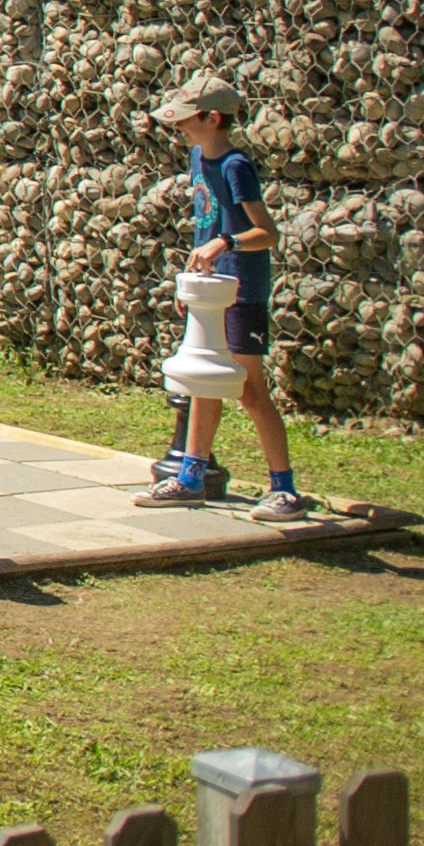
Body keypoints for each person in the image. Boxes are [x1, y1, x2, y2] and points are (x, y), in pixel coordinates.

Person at [143, 72, 306, 520]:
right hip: (210, 290)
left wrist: (227, 244)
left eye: (186, 120)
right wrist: (191, 282)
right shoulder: (198, 157)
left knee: (250, 391)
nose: (178, 127)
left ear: (212, 118)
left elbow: (265, 233)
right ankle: (191, 477)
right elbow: (204, 226)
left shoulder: (236, 165)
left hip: (241, 290)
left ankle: (285, 489)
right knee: (201, 380)